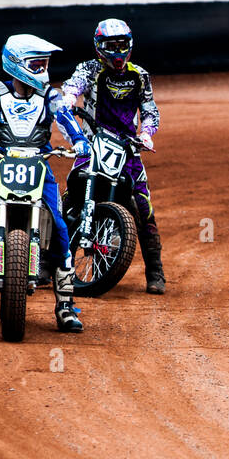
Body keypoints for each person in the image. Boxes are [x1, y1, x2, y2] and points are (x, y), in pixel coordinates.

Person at [0, 34, 89, 333]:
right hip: (2, 162)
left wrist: (79, 141)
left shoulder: (50, 97)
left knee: (61, 227)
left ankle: (65, 305)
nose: (42, 69)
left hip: (40, 164)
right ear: (16, 64)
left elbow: (67, 120)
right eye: (36, 63)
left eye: (44, 63)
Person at [61, 18, 167, 294]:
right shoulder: (90, 69)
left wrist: (147, 133)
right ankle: (51, 260)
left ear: (130, 46)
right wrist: (70, 98)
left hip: (128, 148)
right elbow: (74, 84)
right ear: (100, 47)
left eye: (122, 46)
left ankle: (155, 270)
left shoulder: (140, 75)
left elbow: (151, 110)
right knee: (71, 194)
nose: (118, 52)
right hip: (93, 143)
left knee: (144, 208)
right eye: (112, 46)